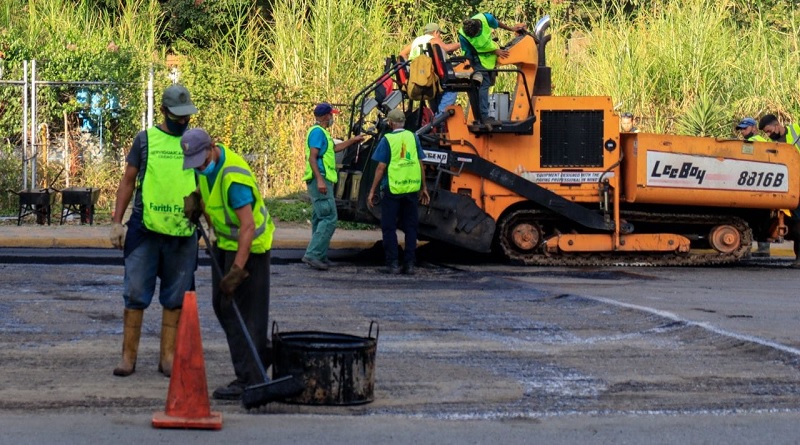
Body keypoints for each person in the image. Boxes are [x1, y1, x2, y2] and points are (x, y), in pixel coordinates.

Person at [109, 84, 199, 378]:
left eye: (187, 115)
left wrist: (208, 222)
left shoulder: (196, 142)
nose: (183, 120)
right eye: (177, 115)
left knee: (175, 296)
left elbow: (207, 185)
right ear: (163, 111)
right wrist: (116, 222)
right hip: (144, 231)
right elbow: (128, 181)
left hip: (183, 232)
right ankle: (128, 357)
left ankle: (168, 358)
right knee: (135, 292)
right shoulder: (145, 140)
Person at [180, 127, 275, 401]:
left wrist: (237, 270)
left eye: (203, 161)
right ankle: (261, 354)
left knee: (246, 314)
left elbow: (247, 226)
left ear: (212, 147)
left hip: (250, 249)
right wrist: (197, 202)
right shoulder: (206, 168)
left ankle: (251, 378)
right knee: (223, 306)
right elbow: (208, 192)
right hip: (225, 244)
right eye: (195, 164)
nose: (200, 167)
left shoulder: (234, 178)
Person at [367, 108, 431, 274]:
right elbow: (420, 163)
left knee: (389, 227)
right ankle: (409, 264)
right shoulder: (413, 137)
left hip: (393, 189)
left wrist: (372, 190)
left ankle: (393, 264)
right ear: (403, 122)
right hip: (411, 188)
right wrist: (424, 187)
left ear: (390, 123)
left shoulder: (387, 139)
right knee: (411, 227)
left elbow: (381, 168)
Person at [302, 102, 365, 271]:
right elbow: (312, 158)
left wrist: (352, 141)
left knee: (319, 218)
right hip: (319, 179)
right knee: (329, 218)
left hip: (322, 179)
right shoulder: (317, 132)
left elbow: (334, 149)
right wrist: (320, 180)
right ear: (324, 117)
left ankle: (320, 255)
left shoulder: (322, 133)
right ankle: (313, 254)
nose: (332, 118)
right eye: (330, 115)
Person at [458, 12, 525, 127]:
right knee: (483, 84)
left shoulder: (485, 18)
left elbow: (497, 23)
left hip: (489, 57)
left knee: (485, 84)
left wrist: (511, 29)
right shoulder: (463, 35)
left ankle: (481, 117)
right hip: (477, 59)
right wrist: (494, 51)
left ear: (479, 27)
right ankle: (483, 117)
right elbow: (470, 52)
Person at [759, 114, 800, 266]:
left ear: (777, 125)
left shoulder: (796, 130)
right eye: (766, 133)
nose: (768, 135)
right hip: (791, 186)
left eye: (769, 131)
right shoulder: (773, 145)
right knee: (795, 222)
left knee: (797, 222)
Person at [399, 22, 461, 115]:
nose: (440, 36)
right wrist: (461, 44)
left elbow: (402, 54)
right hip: (430, 76)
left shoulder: (416, 41)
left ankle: (434, 114)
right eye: (440, 33)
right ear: (436, 32)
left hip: (417, 78)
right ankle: (440, 116)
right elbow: (448, 48)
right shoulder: (433, 39)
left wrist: (411, 67)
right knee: (453, 88)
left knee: (435, 90)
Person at [735, 117, 770, 256]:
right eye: (741, 129)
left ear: (754, 128)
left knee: (759, 218)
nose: (743, 131)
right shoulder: (751, 142)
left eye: (745, 128)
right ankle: (761, 247)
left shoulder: (755, 142)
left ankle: (763, 248)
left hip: (758, 185)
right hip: (755, 184)